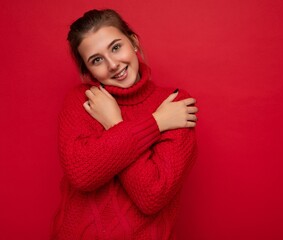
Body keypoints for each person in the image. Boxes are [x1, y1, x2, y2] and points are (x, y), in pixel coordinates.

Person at [51, 9, 198, 240]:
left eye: (116, 47)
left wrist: (114, 122)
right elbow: (82, 175)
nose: (112, 64)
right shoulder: (83, 100)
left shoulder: (174, 104)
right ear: (87, 70)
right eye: (96, 60)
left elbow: (151, 196)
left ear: (134, 42)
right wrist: (156, 123)